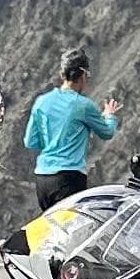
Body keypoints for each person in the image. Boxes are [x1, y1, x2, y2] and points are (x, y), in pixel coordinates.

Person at [22, 48, 116, 211]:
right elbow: (107, 132)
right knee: (71, 230)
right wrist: (110, 115)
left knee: (52, 229)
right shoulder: (83, 106)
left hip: (43, 179)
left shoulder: (42, 102)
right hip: (69, 178)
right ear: (83, 76)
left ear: (62, 74)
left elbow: (30, 141)